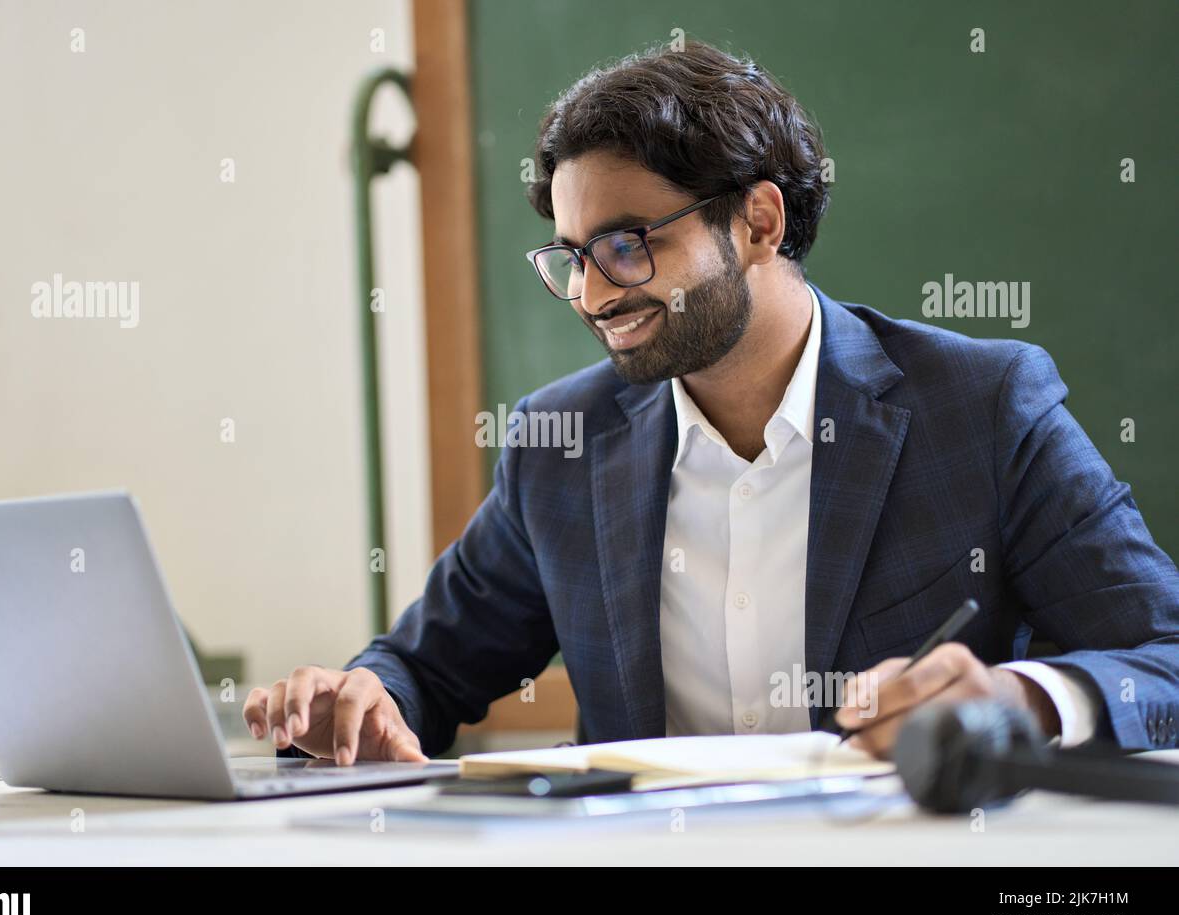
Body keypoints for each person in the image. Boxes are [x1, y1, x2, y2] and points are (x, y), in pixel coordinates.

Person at [245, 40, 1179, 764]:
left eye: (626, 245)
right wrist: (363, 699)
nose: (593, 295)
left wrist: (1018, 700)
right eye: (572, 258)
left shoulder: (982, 407)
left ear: (759, 221)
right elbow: (425, 668)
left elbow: (1163, 657)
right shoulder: (560, 444)